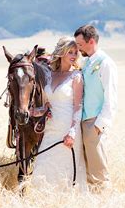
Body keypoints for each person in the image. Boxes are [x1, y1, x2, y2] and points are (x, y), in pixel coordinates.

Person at [32, 37, 88, 190]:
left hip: (67, 130)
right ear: (61, 53)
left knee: (65, 171)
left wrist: (72, 132)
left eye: (76, 52)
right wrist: (37, 111)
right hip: (50, 130)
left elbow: (78, 106)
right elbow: (47, 103)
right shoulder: (50, 75)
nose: (74, 55)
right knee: (42, 166)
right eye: (70, 52)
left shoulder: (76, 76)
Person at [74, 25, 118, 192]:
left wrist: (100, 125)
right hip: (83, 121)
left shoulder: (106, 64)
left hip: (95, 122)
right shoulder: (86, 63)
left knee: (98, 167)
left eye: (80, 44)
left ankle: (104, 199)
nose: (78, 49)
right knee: (87, 166)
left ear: (91, 41)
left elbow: (111, 97)